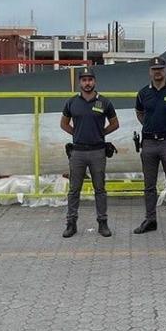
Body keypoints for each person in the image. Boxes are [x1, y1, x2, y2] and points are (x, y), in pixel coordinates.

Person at [60, 67, 119, 238]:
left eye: (90, 79)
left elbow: (115, 123)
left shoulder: (104, 102)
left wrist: (101, 134)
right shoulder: (72, 102)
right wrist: (76, 134)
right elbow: (64, 123)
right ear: (80, 83)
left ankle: (103, 223)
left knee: (100, 189)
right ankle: (71, 224)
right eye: (84, 80)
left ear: (95, 81)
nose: (87, 83)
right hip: (77, 152)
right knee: (74, 190)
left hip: (97, 152)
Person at [134, 56, 166, 237]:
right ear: (150, 72)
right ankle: (150, 220)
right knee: (149, 185)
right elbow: (140, 113)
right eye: (154, 69)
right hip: (148, 143)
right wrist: (149, 126)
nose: (157, 72)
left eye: (160, 69)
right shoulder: (142, 93)